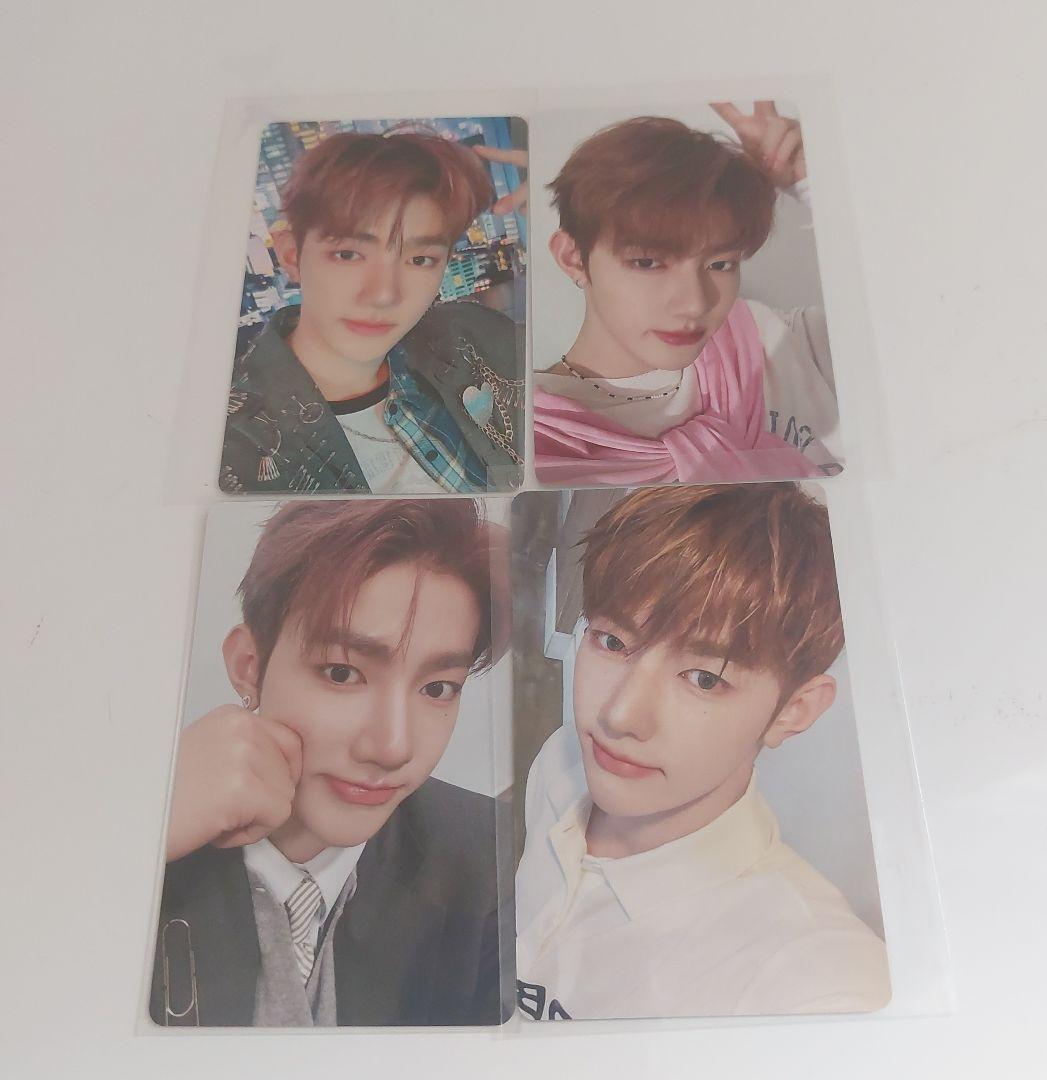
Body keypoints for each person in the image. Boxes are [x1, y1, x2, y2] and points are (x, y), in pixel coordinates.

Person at [515, 484, 890, 1020]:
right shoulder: (565, 764)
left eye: (704, 679)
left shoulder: (814, 981)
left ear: (793, 710)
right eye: (613, 642)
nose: (619, 715)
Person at [150, 499, 512, 1027]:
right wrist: (137, 844)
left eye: (437, 688)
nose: (392, 747)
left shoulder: (492, 861)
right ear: (250, 667)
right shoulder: (137, 837)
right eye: (342, 673)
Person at [532, 102, 842, 487]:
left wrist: (814, 182)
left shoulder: (779, 342)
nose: (695, 303)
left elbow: (909, 320)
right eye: (648, 263)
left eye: (720, 264)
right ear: (573, 257)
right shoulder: (532, 442)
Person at [220, 129, 525, 495]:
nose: (384, 294)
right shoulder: (227, 441)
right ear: (291, 255)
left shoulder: (474, 338)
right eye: (348, 254)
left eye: (419, 259)